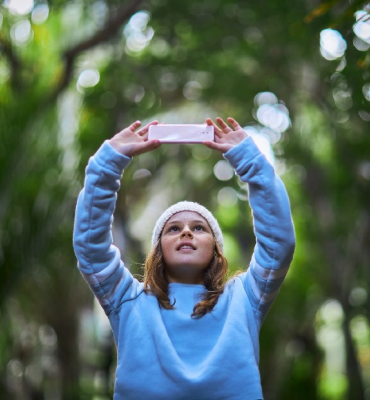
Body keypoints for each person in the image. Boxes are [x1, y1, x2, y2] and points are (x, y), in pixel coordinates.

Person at [73, 117, 295, 400]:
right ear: (158, 250)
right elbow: (91, 250)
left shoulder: (245, 298)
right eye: (174, 229)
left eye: (199, 228)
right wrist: (107, 163)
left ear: (215, 249)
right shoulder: (128, 300)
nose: (186, 232)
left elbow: (279, 244)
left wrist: (250, 161)